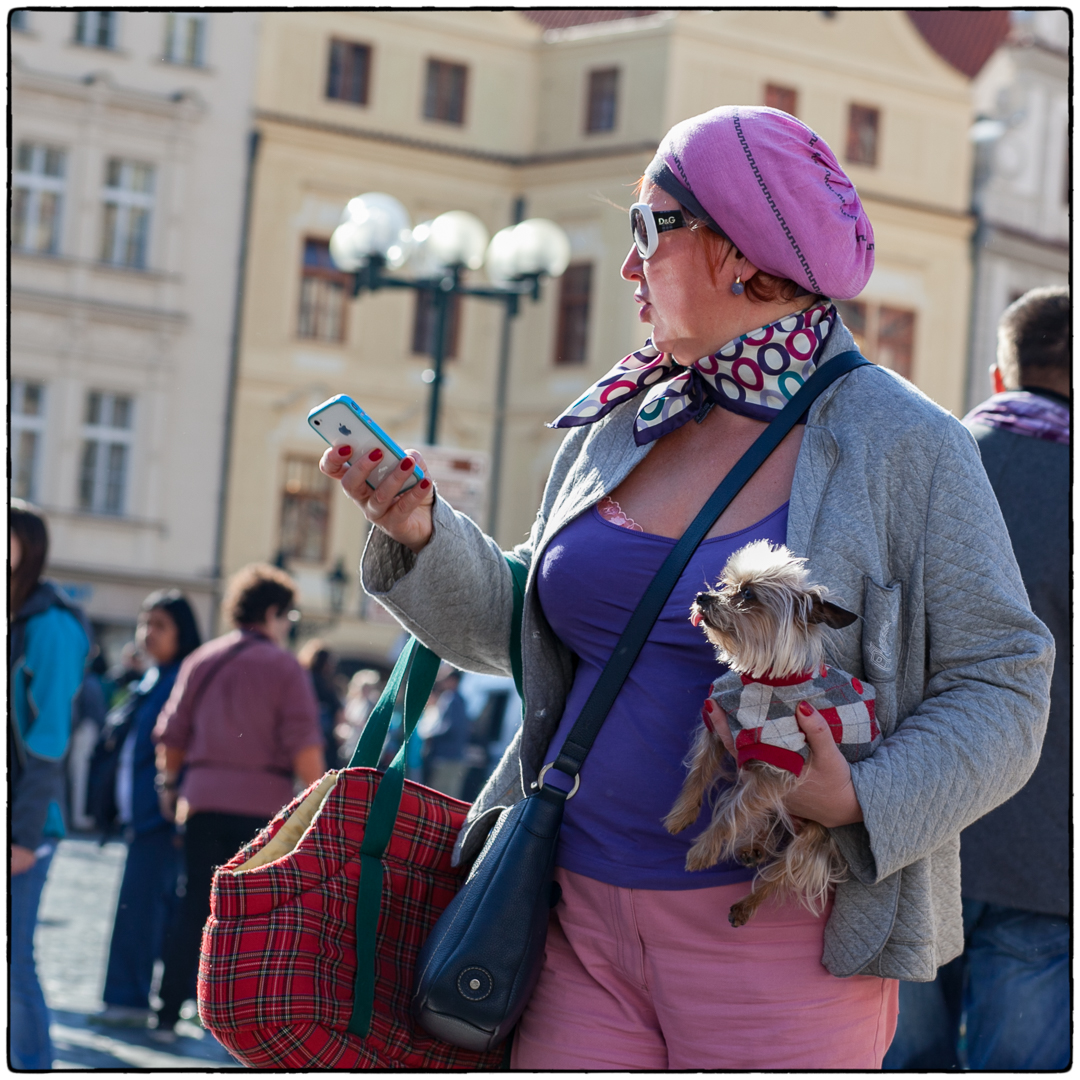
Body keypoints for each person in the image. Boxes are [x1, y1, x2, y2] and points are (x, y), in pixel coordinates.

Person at [321, 106, 1053, 1069]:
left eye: (646, 229)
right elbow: (529, 638)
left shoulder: (902, 439)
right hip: (569, 918)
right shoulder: (625, 415)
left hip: (781, 939)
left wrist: (863, 797)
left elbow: (1004, 679)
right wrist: (419, 535)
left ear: (738, 254)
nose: (627, 267)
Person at [885, 286, 1070, 1070]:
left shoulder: (921, 471)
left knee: (902, 1058)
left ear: (1001, 378)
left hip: (912, 829)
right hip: (1046, 855)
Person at [150, 564, 325, 1041]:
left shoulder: (203, 659)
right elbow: (305, 747)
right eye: (287, 613)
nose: (288, 623)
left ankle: (167, 1013)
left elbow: (171, 734)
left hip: (203, 801)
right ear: (271, 611)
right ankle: (230, 1018)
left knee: (193, 907)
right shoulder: (286, 668)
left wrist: (169, 789)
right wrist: (317, 807)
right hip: (263, 811)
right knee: (250, 915)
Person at [90, 591, 203, 1027]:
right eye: (144, 622)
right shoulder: (150, 677)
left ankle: (129, 1001)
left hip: (161, 817)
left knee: (142, 911)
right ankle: (153, 996)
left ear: (181, 633)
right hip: (140, 816)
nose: (147, 632)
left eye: (159, 625)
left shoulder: (182, 679)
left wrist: (175, 808)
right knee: (152, 910)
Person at [10, 500, 91, 1069]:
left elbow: (49, 741)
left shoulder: (52, 626)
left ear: (26, 549)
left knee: (12, 960)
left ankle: (33, 1064)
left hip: (26, 822)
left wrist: (23, 835)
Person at [418, 667, 472, 799]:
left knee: (439, 794)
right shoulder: (461, 699)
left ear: (453, 681)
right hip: (455, 755)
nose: (442, 682)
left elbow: (449, 727)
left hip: (445, 755)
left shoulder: (450, 698)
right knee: (450, 794)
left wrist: (430, 734)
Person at [297, 638, 343, 765]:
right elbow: (338, 712)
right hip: (325, 739)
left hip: (306, 737)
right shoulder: (327, 684)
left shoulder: (303, 680)